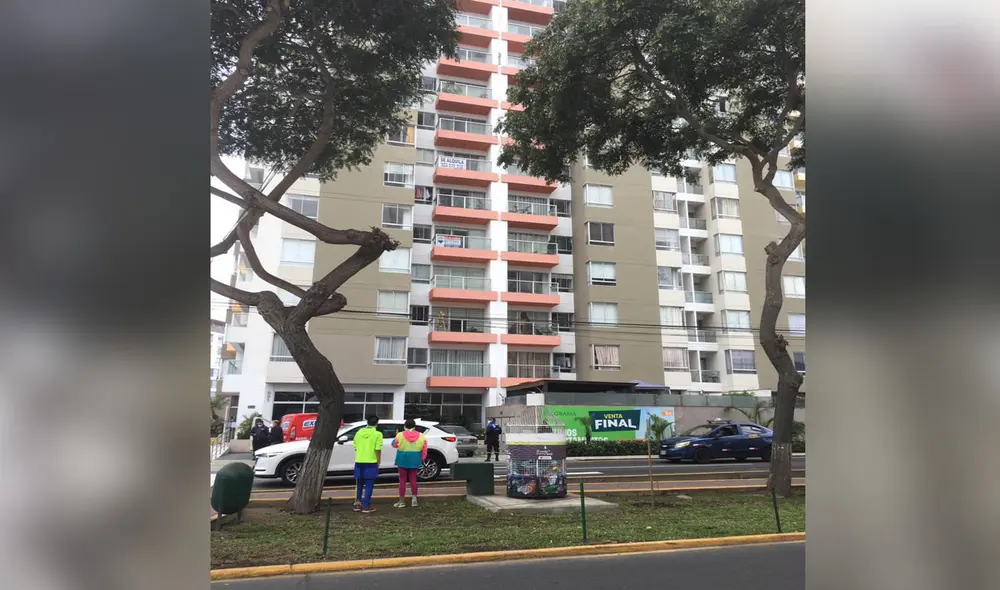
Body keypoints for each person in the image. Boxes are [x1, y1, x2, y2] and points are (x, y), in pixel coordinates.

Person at [391, 419, 427, 508]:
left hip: (402, 459)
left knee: (402, 480)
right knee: (413, 479)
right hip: (415, 459)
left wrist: (396, 435)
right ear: (414, 426)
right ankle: (414, 500)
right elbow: (424, 448)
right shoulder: (421, 435)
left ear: (405, 426)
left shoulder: (400, 435)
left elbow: (394, 445)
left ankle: (401, 501)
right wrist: (422, 458)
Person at [352, 415, 383, 514]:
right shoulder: (378, 434)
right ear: (377, 423)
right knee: (369, 485)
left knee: (359, 484)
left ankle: (357, 504)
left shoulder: (359, 432)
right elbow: (377, 449)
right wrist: (378, 460)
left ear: (367, 422)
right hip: (371, 462)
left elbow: (355, 446)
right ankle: (366, 506)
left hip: (359, 461)